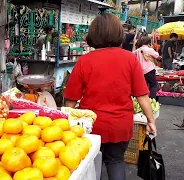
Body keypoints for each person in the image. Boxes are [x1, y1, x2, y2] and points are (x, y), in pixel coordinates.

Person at [63, 13, 157, 180]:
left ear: (94, 34)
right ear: (118, 33)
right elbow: (142, 95)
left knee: (91, 163)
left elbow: (70, 100)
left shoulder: (85, 61)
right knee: (115, 161)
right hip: (120, 126)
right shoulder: (130, 59)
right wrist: (150, 121)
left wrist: (63, 124)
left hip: (90, 125)